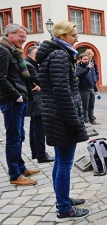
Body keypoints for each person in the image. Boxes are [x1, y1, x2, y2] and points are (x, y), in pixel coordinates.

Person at [35, 20, 89, 221]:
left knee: (60, 161)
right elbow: (62, 91)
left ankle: (63, 199)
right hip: (61, 116)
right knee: (65, 163)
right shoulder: (59, 54)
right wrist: (74, 120)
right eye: (74, 35)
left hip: (57, 114)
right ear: (62, 36)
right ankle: (64, 208)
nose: (77, 38)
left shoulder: (56, 53)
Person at [0, 23, 41, 186]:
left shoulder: (13, 51)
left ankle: (21, 168)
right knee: (13, 138)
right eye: (21, 36)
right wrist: (16, 96)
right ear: (10, 35)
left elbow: (20, 76)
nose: (24, 40)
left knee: (19, 136)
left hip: (19, 100)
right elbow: (1, 78)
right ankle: (15, 175)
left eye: (25, 36)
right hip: (11, 101)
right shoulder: (3, 51)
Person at [25, 46, 55, 163]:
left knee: (35, 126)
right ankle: (41, 154)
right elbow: (39, 80)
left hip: (35, 98)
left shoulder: (30, 63)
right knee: (39, 128)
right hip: (36, 99)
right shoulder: (28, 64)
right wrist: (43, 86)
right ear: (32, 55)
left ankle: (36, 152)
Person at [76, 53, 97, 126]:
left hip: (91, 89)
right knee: (85, 106)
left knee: (91, 105)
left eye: (87, 59)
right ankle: (86, 120)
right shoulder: (79, 67)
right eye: (84, 59)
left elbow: (92, 79)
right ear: (80, 59)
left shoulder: (89, 67)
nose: (86, 60)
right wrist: (87, 68)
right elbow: (79, 75)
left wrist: (95, 89)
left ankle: (91, 119)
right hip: (84, 90)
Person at [85, 49, 100, 122]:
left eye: (91, 54)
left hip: (93, 83)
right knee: (86, 103)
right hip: (86, 85)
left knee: (92, 103)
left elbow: (96, 71)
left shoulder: (93, 62)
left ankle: (91, 116)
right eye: (88, 54)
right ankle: (87, 118)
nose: (90, 55)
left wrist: (96, 78)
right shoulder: (85, 63)